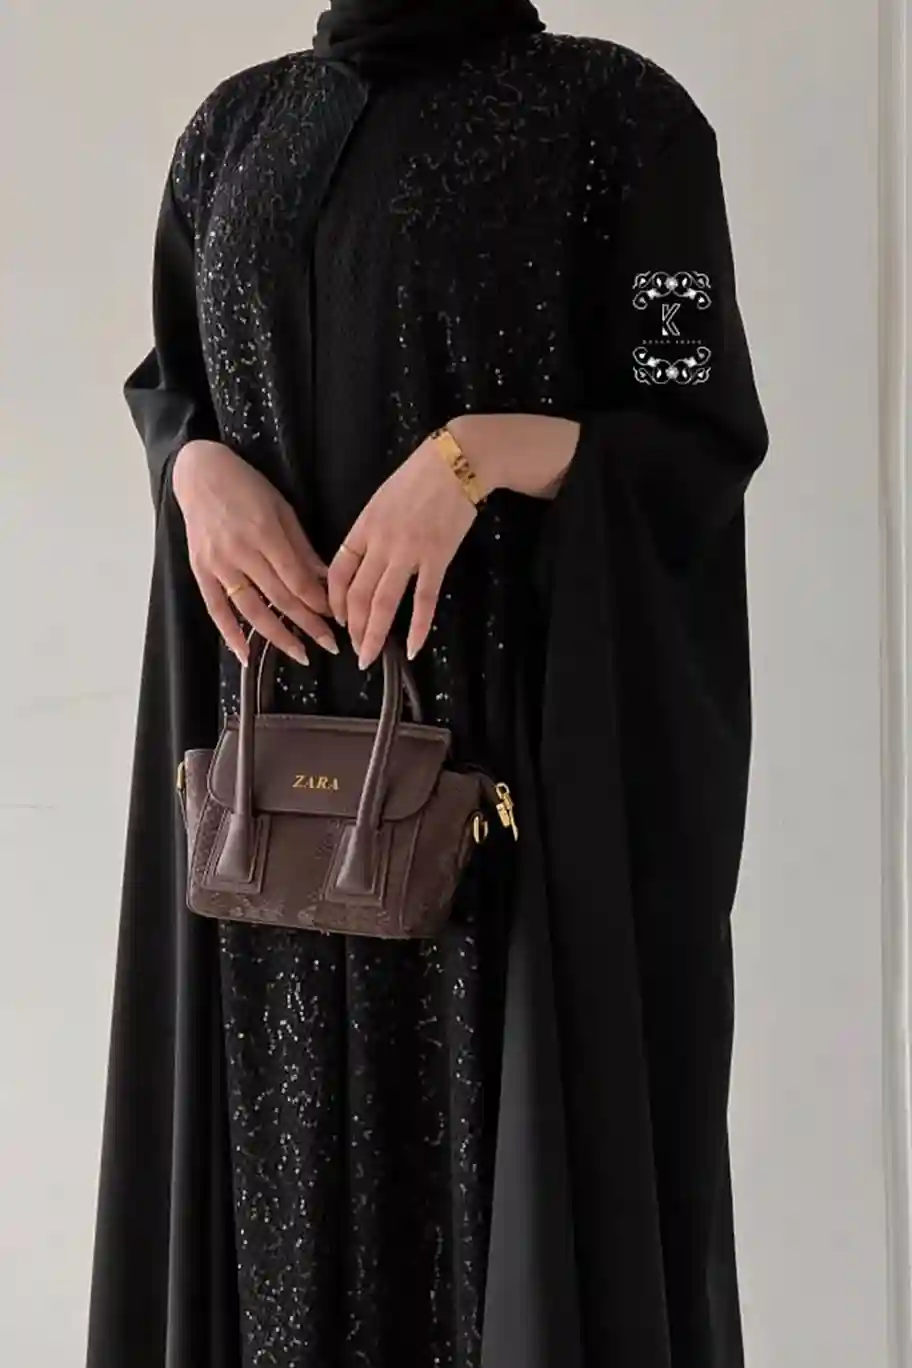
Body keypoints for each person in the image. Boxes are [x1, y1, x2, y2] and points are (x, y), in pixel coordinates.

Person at [86, 3, 769, 1367]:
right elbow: (176, 375)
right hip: (266, 816)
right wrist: (189, 466)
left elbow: (693, 428)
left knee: (488, 1205)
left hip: (502, 799)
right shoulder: (233, 132)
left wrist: (473, 458)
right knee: (267, 1208)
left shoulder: (621, 120)